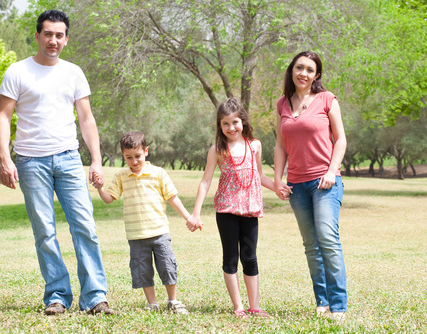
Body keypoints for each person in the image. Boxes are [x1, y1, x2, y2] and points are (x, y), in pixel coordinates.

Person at [0, 10, 116, 316]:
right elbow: (3, 116)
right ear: (37, 36)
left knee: (85, 227)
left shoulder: (73, 72)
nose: (53, 40)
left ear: (66, 38)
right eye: (48, 34)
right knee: (45, 231)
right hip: (30, 161)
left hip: (68, 157)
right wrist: (5, 158)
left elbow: (86, 120)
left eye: (59, 35)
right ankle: (57, 295)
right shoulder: (17, 72)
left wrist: (97, 160)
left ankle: (95, 297)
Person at [187, 98, 288, 318]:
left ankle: (255, 306)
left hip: (250, 209)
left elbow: (259, 175)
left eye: (235, 122)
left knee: (250, 257)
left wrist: (277, 187)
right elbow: (205, 181)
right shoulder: (217, 150)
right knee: (231, 258)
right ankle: (238, 307)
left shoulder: (255, 145)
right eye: (225, 123)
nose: (231, 128)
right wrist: (195, 212)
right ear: (219, 126)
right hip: (226, 210)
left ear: (242, 121)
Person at [273, 51, 348, 321]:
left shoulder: (327, 99)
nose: (303, 73)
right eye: (299, 67)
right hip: (296, 185)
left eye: (309, 69)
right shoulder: (282, 103)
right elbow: (281, 145)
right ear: (292, 70)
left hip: (325, 183)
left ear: (317, 75)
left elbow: (340, 140)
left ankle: (338, 305)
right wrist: (278, 179)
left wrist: (331, 171)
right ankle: (322, 301)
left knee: (327, 239)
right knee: (311, 245)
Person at [94, 131, 196, 314]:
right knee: (142, 271)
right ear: (123, 156)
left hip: (159, 232)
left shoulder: (158, 173)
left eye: (137, 156)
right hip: (136, 235)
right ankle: (152, 303)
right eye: (128, 157)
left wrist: (188, 217)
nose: (134, 161)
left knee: (167, 267)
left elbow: (172, 198)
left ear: (146, 151)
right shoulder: (121, 176)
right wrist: (100, 188)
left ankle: (172, 301)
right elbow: (109, 198)